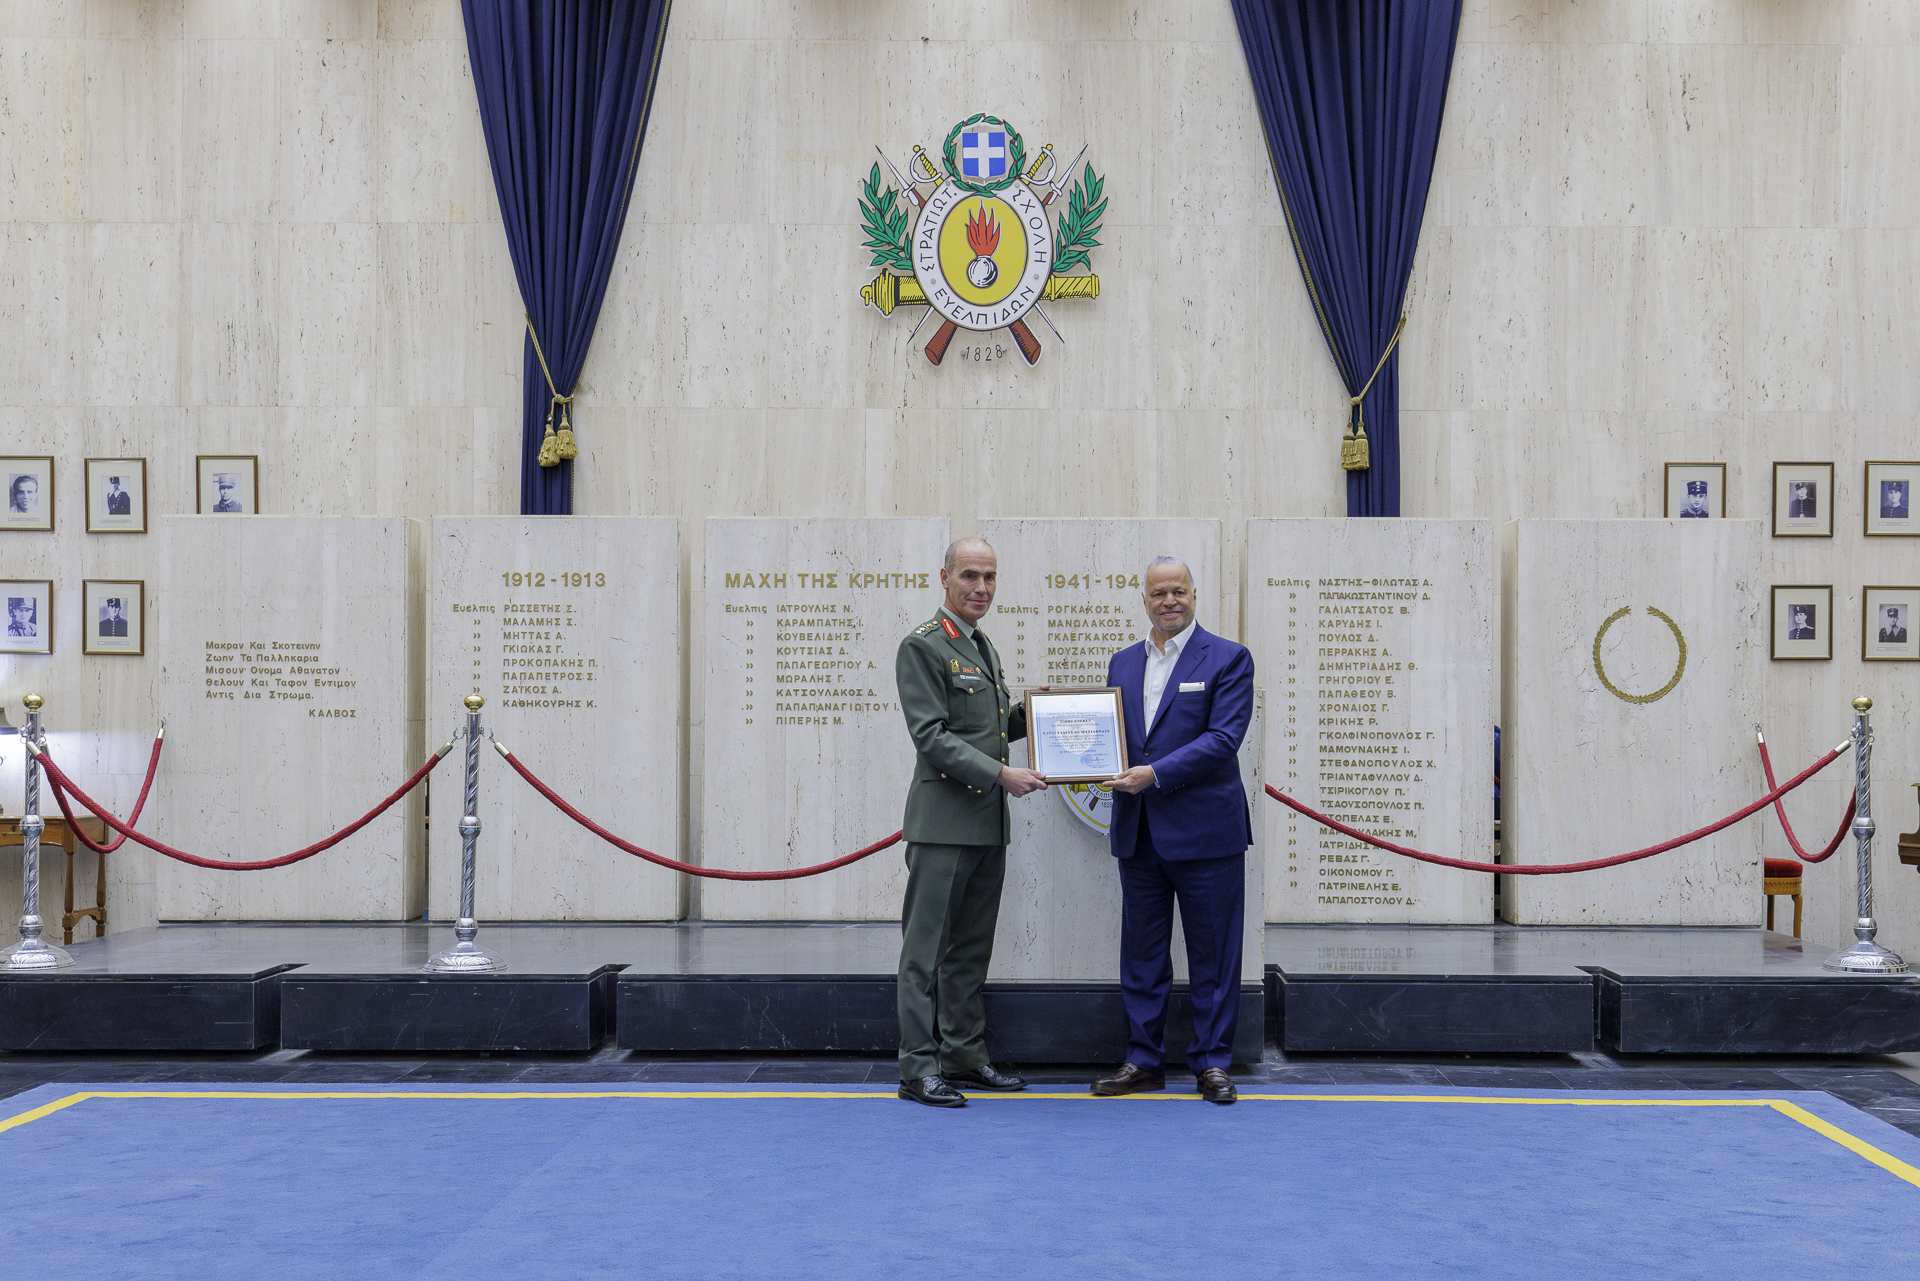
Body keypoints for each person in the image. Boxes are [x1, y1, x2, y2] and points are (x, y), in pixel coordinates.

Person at [1090, 557, 1254, 1106]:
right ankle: (1143, 1061)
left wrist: (1153, 774)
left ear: (1194, 594)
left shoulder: (1229, 658)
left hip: (1207, 835)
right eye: (1158, 593)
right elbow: (1111, 736)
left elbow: (1223, 739)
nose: (1169, 602)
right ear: (1144, 599)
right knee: (1141, 955)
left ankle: (1212, 1063)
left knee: (1213, 955)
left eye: (1178, 591)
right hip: (1139, 835)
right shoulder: (1121, 663)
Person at [892, 537, 1045, 1108]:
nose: (981, 588)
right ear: (946, 577)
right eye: (970, 576)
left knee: (970, 951)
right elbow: (930, 736)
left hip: (985, 824)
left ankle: (963, 1053)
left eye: (990, 577)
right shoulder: (924, 646)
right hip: (942, 824)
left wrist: (1030, 717)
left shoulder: (982, 646)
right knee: (925, 951)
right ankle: (917, 1066)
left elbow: (985, 729)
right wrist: (1003, 776)